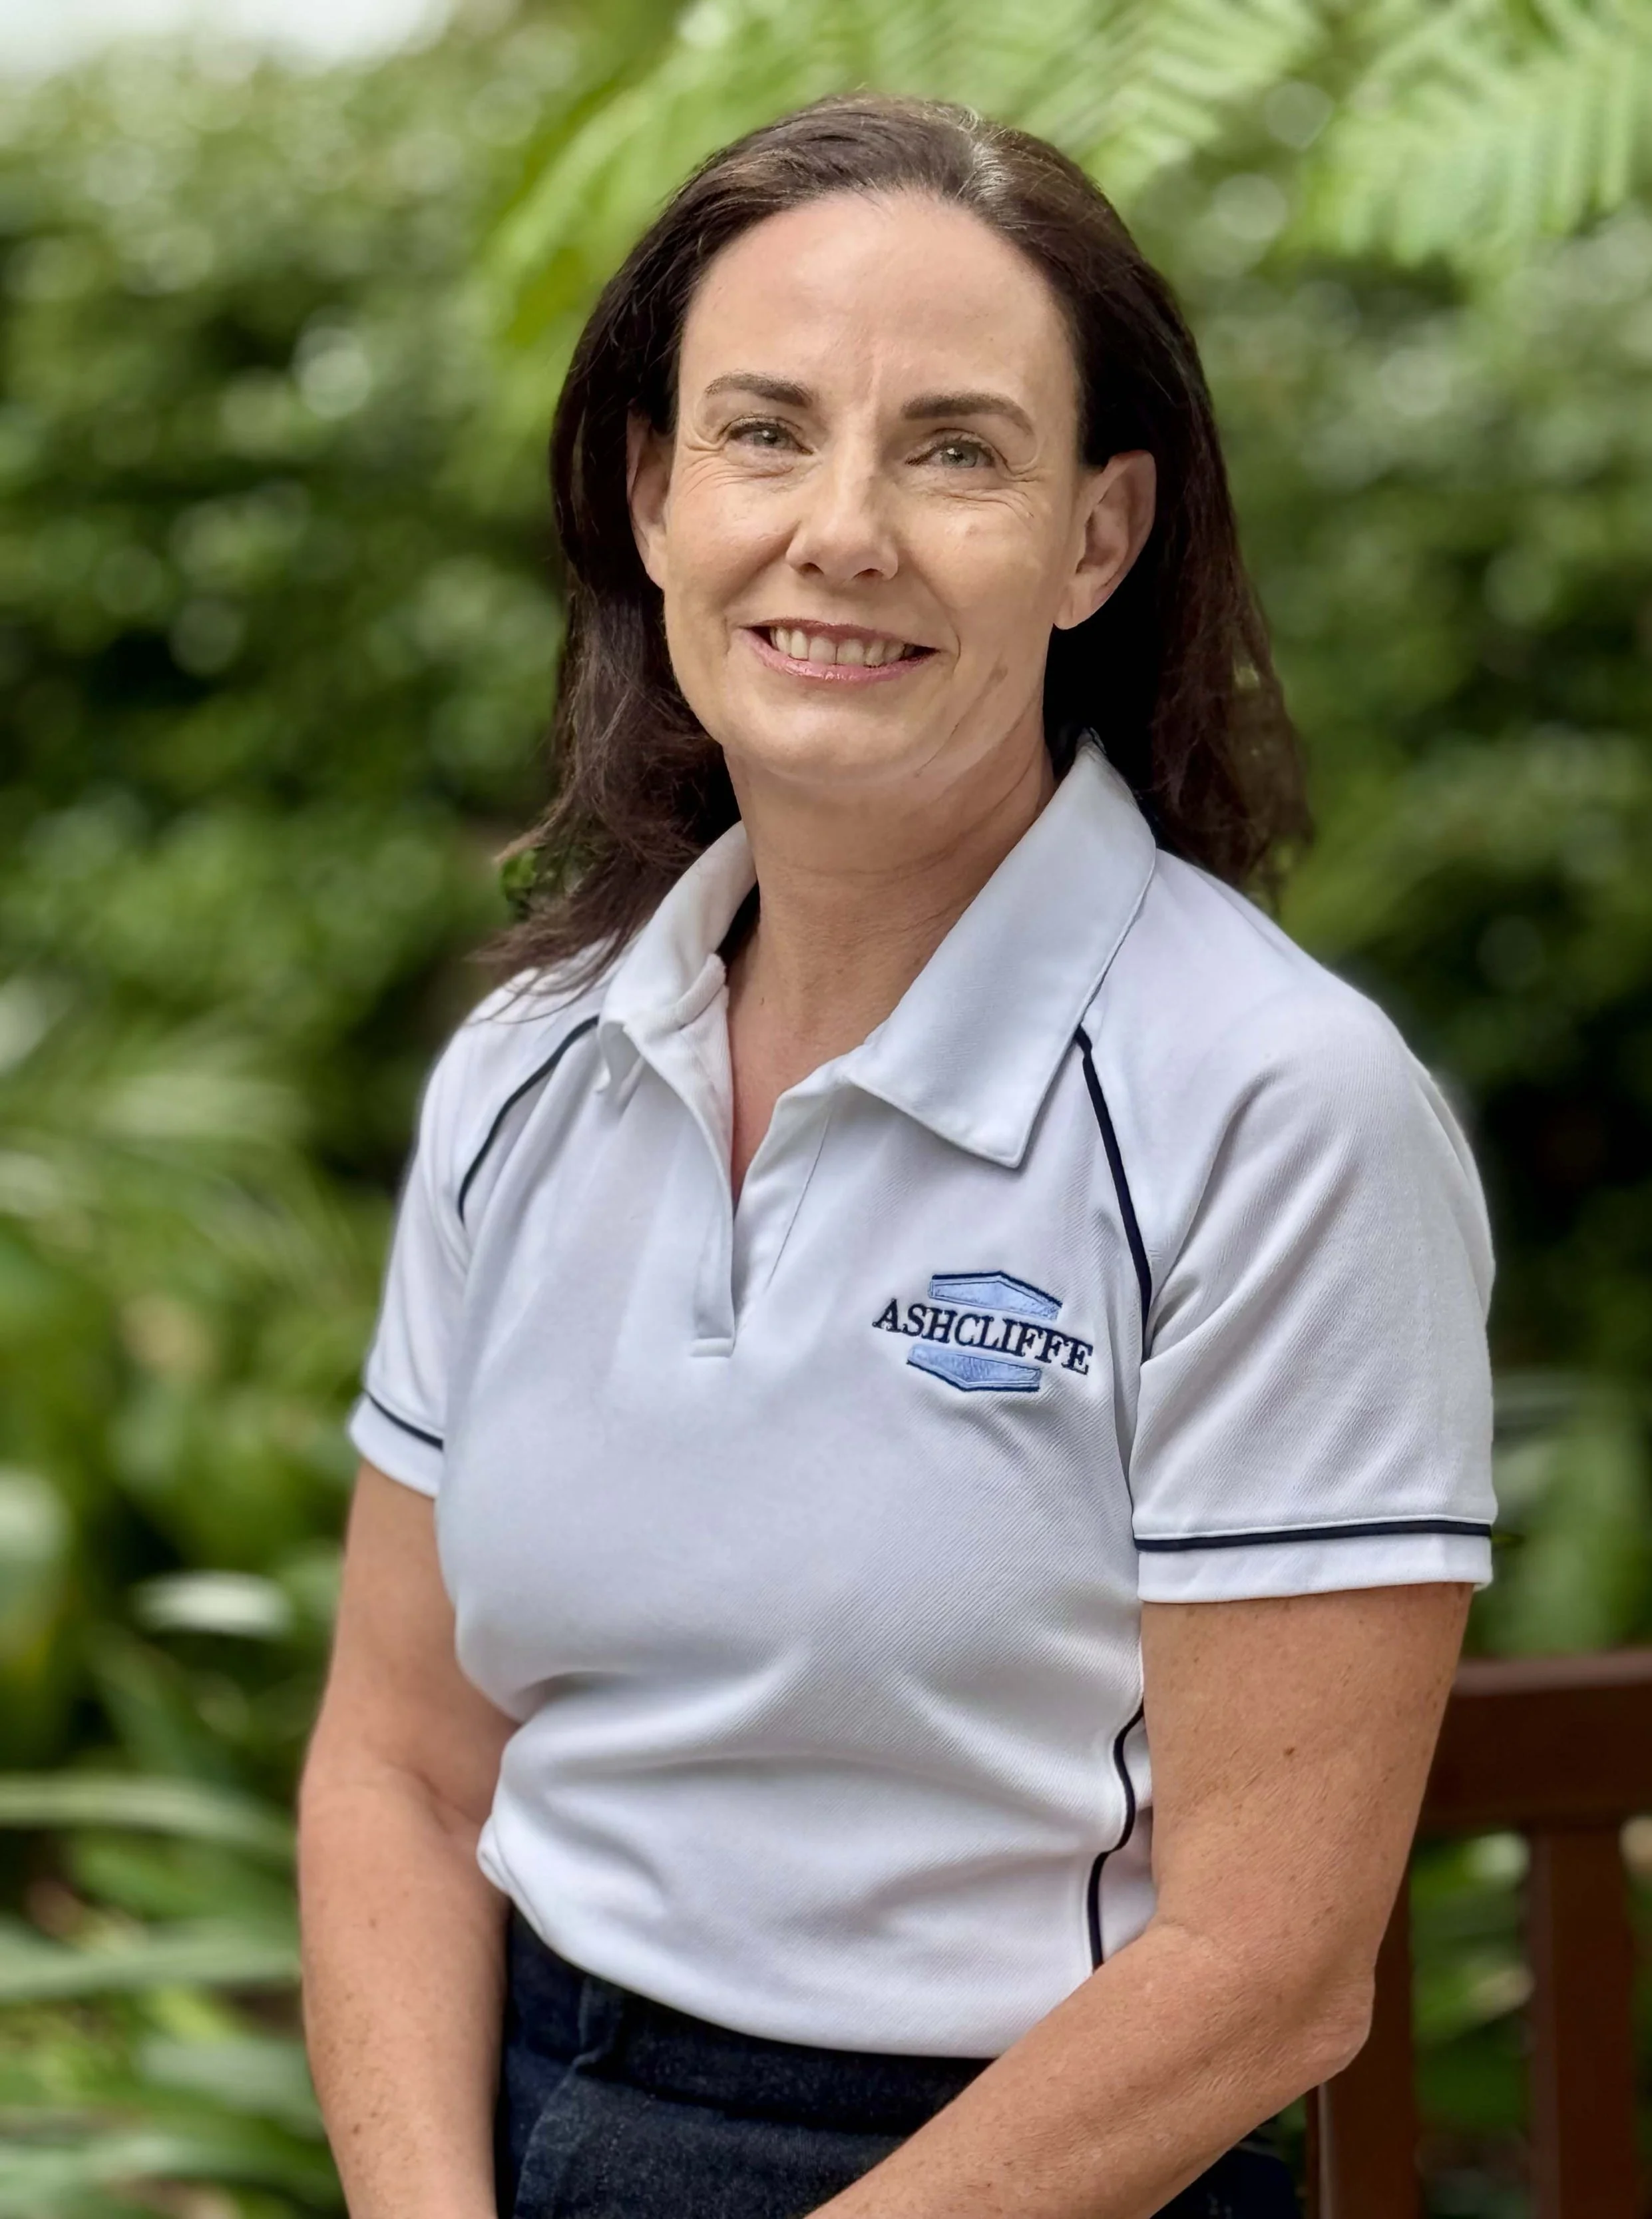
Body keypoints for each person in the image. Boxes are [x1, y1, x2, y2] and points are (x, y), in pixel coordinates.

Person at [296, 93, 1495, 2219]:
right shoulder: (524, 1071)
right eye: (762, 433)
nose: (839, 527)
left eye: (954, 449)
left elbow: (1267, 1969)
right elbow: (398, 1759)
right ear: (654, 496)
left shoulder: (1274, 1107)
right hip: (507, 2131)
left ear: (1096, 536)